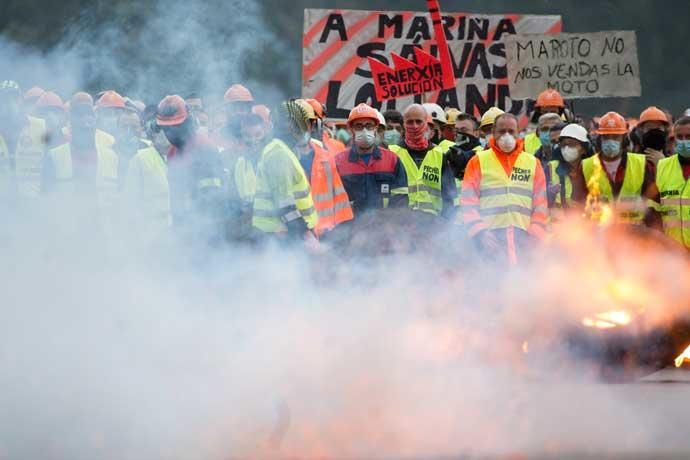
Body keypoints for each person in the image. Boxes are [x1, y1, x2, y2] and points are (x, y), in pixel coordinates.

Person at [461, 113, 549, 265]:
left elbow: (540, 203)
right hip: (490, 240)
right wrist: (480, 232)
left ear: (518, 133)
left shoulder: (533, 163)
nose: (506, 135)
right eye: (502, 131)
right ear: (493, 133)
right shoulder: (478, 161)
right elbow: (468, 202)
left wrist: (535, 234)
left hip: (525, 240)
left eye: (511, 131)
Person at [42, 92, 119, 238]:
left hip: (104, 235)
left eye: (88, 114)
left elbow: (120, 200)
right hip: (66, 235)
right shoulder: (55, 156)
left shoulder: (111, 156)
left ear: (95, 119)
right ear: (70, 120)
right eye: (79, 114)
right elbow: (46, 202)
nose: (85, 120)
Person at [156, 95, 227, 243]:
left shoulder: (204, 149)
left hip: (207, 231)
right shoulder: (173, 152)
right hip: (184, 229)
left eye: (175, 126)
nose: (170, 133)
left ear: (188, 122)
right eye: (166, 128)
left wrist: (199, 235)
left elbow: (211, 201)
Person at [252, 99, 319, 245]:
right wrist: (308, 239)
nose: (307, 129)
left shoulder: (283, 150)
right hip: (281, 237)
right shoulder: (278, 153)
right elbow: (285, 205)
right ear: (290, 125)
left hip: (282, 235)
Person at [574, 111, 658, 226]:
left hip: (634, 236)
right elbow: (578, 205)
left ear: (624, 139)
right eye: (606, 137)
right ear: (599, 139)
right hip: (598, 236)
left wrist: (648, 229)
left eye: (615, 137)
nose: (610, 141)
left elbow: (653, 202)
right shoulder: (586, 166)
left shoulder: (641, 164)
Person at [291, 99, 353, 236]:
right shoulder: (284, 158)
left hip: (327, 235)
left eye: (304, 123)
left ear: (314, 125)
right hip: (296, 238)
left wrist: (341, 234)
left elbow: (340, 200)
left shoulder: (326, 156)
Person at [335, 103, 408, 217]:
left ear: (376, 128)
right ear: (351, 129)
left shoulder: (392, 160)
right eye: (359, 126)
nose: (364, 131)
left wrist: (393, 226)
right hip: (350, 230)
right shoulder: (339, 162)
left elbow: (401, 199)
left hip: (384, 229)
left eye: (369, 126)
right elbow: (334, 201)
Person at [388, 104, 457, 218]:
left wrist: (445, 223)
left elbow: (448, 197)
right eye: (410, 122)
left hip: (433, 225)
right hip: (402, 225)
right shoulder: (392, 154)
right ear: (404, 125)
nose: (414, 126)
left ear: (426, 124)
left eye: (418, 122)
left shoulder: (439, 155)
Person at [120, 110, 171, 244]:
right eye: (158, 130)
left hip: (175, 233)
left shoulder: (180, 156)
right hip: (150, 235)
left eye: (167, 129)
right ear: (152, 134)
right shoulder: (140, 159)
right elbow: (130, 202)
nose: (163, 134)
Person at [0, 80, 47, 204]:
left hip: (33, 200)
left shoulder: (41, 126)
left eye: (13, 97)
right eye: (4, 98)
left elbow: (50, 160)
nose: (9, 102)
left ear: (21, 100)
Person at [650, 116, 690, 249]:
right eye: (680, 137)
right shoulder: (663, 166)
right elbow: (654, 210)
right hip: (672, 252)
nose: (684, 141)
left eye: (688, 136)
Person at [548, 123, 591, 213]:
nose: (566, 148)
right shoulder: (551, 168)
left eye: (572, 144)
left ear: (583, 149)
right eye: (563, 145)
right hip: (558, 225)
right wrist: (547, 194)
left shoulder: (593, 169)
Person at [524, 89, 566, 155]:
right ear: (539, 113)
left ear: (560, 113)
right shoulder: (527, 141)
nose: (548, 115)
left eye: (553, 111)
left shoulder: (569, 138)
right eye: (545, 112)